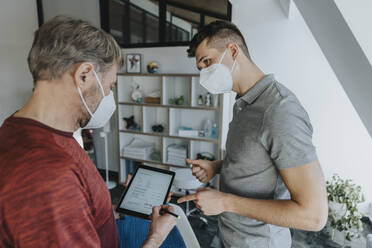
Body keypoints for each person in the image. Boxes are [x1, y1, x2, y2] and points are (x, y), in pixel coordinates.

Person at [0, 16, 175, 248]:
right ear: (84, 74)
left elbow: (69, 214)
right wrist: (156, 237)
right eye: (109, 86)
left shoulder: (18, 129)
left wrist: (108, 206)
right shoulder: (48, 175)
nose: (106, 97)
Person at [178, 20, 328, 247]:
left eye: (207, 62)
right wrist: (216, 167)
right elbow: (255, 159)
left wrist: (225, 202)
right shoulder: (244, 103)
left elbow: (313, 216)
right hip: (231, 235)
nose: (204, 75)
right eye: (200, 69)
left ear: (233, 51)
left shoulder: (279, 110)